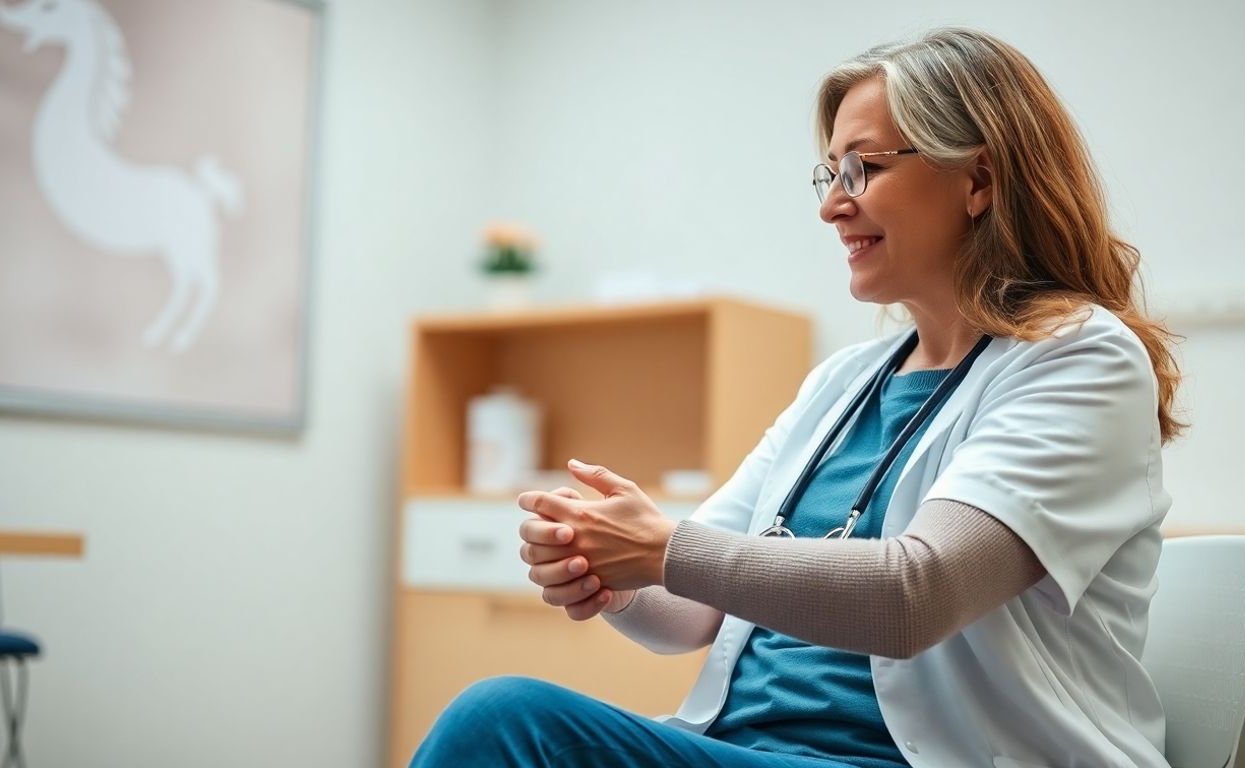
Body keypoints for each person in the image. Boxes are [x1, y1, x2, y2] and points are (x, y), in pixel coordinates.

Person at [411, 26, 1182, 768]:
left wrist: (660, 550)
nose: (832, 206)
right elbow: (694, 614)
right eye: (831, 174)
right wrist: (616, 579)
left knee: (503, 724)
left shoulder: (1079, 358)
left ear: (978, 179)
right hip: (745, 745)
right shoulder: (843, 385)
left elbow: (919, 593)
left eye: (864, 170)